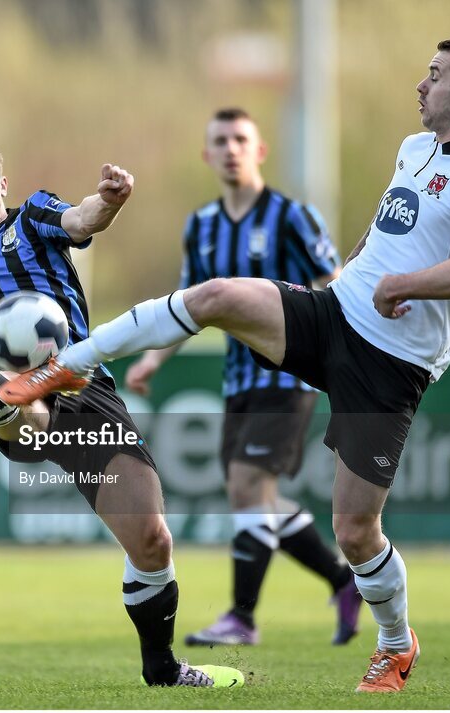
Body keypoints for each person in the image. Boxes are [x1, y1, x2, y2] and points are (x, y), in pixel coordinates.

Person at [0, 39, 450, 693]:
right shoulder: (415, 150)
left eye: (436, 76)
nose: (421, 84)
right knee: (215, 295)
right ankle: (65, 365)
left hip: (390, 364)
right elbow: (382, 232)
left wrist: (405, 284)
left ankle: (394, 643)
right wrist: (356, 276)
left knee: (356, 531)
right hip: (336, 313)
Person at [0, 125, 240, 688]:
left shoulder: (34, 216)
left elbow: (81, 219)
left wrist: (110, 201)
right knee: (5, 388)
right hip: (15, 400)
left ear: (2, 180)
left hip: (83, 389)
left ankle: (162, 669)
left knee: (152, 539)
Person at [123, 107, 363, 649]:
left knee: (246, 486)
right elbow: (189, 307)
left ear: (259, 151)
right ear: (206, 154)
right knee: (258, 499)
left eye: (240, 139)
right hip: (238, 382)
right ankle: (342, 580)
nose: (230, 148)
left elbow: (338, 288)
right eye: (220, 140)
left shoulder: (293, 217)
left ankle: (242, 619)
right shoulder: (201, 226)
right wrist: (154, 359)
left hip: (290, 377)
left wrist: (345, 361)